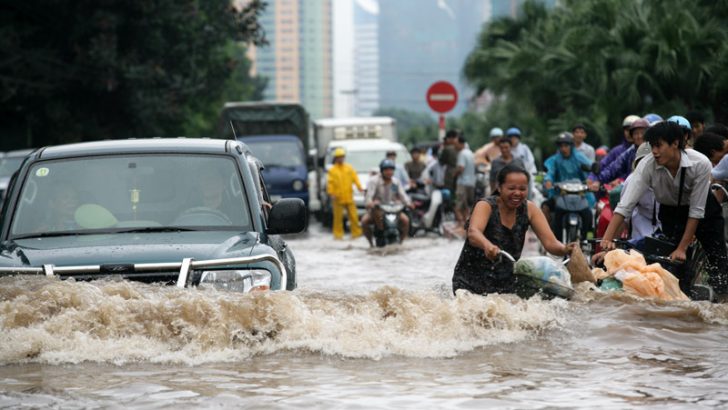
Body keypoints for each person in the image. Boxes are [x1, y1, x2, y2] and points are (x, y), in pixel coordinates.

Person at [601, 121, 727, 294]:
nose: (654, 151)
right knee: (672, 268)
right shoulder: (647, 164)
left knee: (718, 260)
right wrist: (606, 243)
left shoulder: (700, 163)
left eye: (659, 146)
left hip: (704, 211)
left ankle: (721, 299)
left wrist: (682, 248)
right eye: (652, 146)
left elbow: (697, 211)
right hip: (670, 212)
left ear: (675, 143)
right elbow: (625, 206)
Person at [452, 164, 575, 296]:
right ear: (499, 188)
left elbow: (550, 243)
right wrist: (487, 245)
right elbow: (473, 232)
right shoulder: (485, 205)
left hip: (506, 281)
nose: (517, 193)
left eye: (522, 189)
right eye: (511, 188)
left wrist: (565, 249)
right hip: (469, 281)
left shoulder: (530, 209)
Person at [541, 132, 595, 240]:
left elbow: (591, 169)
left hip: (580, 194)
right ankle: (549, 239)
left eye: (566, 145)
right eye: (561, 146)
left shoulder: (579, 157)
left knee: (588, 213)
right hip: (560, 194)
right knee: (546, 207)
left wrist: (591, 180)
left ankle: (586, 240)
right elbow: (550, 172)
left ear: (571, 146)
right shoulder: (555, 160)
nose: (563, 148)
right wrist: (548, 180)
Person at [361, 159, 412, 246]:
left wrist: (409, 203)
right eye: (386, 170)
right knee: (364, 222)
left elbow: (403, 195)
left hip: (394, 210)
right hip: (377, 209)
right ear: (382, 171)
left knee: (406, 221)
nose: (389, 172)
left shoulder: (396, 182)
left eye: (391, 170)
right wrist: (371, 203)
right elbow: (369, 196)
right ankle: (371, 243)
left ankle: (401, 243)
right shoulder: (374, 181)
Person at [588, 118, 649, 190]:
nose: (639, 136)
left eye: (642, 133)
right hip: (630, 189)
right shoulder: (630, 151)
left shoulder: (652, 151)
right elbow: (613, 167)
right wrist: (598, 180)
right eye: (636, 133)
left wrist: (622, 180)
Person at [327, 147, 364, 240]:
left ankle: (356, 233)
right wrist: (331, 193)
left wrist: (360, 188)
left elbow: (355, 179)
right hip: (338, 198)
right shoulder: (332, 170)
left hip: (349, 196)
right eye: (339, 157)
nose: (340, 158)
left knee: (354, 216)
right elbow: (330, 183)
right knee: (338, 219)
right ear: (335, 158)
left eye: (342, 157)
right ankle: (338, 235)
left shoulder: (349, 168)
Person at [506, 127, 537, 197]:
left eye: (515, 137)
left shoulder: (524, 149)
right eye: (511, 137)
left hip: (525, 176)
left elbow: (531, 164)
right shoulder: (507, 149)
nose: (513, 139)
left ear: (518, 138)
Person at [453, 133, 476, 228]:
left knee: (458, 206)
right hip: (471, 182)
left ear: (461, 144)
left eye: (456, 143)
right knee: (467, 206)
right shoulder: (470, 153)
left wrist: (454, 174)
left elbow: (461, 168)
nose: (454, 146)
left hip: (462, 183)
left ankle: (460, 225)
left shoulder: (462, 153)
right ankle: (467, 224)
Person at [439, 129, 460, 193]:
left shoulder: (447, 149)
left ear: (450, 138)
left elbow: (441, 161)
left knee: (449, 191)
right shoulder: (461, 147)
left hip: (450, 173)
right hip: (460, 172)